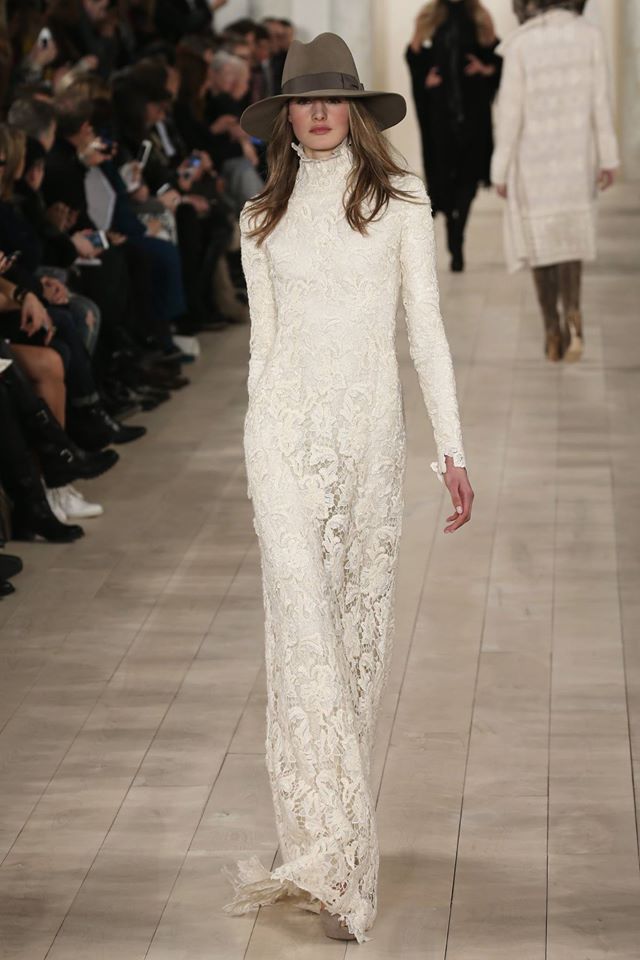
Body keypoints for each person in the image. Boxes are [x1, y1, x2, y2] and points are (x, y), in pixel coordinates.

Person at [222, 32, 473, 943]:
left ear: (357, 112)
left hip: (368, 448)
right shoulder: (259, 217)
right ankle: (341, 866)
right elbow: (262, 349)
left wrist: (452, 449)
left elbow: (425, 332)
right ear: (286, 116)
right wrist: (258, 447)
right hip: (283, 445)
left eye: (334, 99)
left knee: (352, 653)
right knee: (304, 643)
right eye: (305, 100)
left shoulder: (400, 202)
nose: (320, 112)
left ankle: (318, 840)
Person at [492, 0, 618, 361]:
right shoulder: (590, 36)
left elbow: (510, 114)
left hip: (534, 166)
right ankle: (574, 315)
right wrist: (608, 158)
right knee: (570, 244)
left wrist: (500, 169)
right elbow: (601, 103)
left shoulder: (521, 44)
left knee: (541, 246)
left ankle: (551, 329)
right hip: (575, 162)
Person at [406, 0, 500, 271]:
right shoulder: (429, 16)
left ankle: (458, 235)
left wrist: (485, 70)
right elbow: (414, 56)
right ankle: (451, 228)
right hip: (441, 115)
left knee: (469, 178)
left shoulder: (480, 16)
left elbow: (497, 57)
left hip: (473, 113)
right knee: (444, 179)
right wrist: (425, 80)